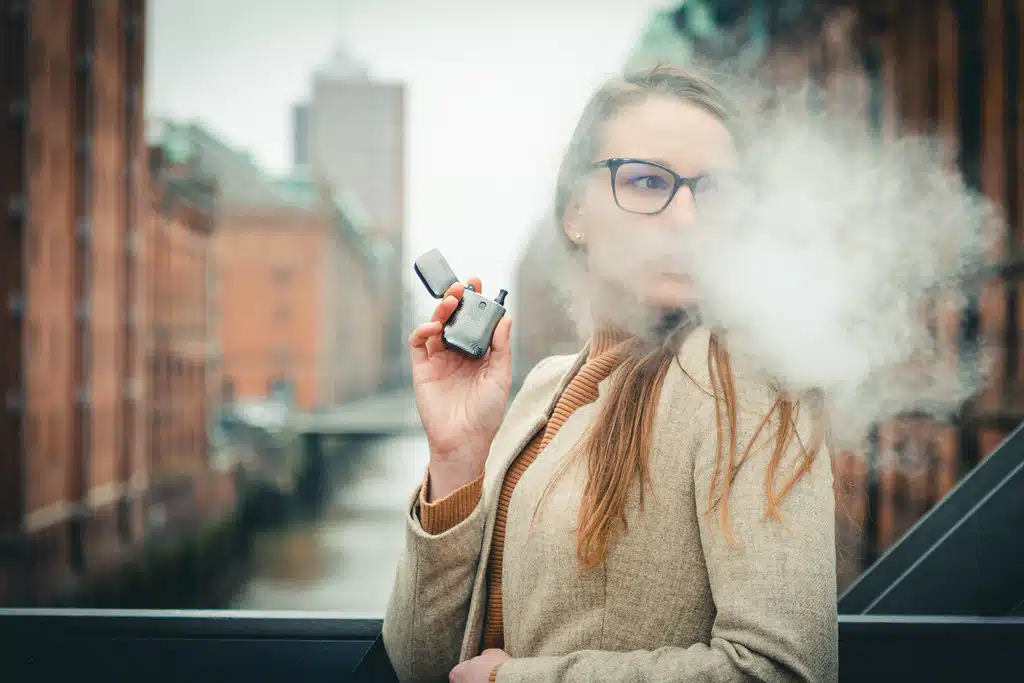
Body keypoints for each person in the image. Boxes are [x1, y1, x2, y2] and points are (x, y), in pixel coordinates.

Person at [382, 64, 838, 683]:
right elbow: (421, 663)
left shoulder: (746, 381)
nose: (687, 219)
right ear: (575, 212)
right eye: (648, 182)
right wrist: (457, 456)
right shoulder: (545, 385)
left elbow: (783, 672)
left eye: (714, 192)